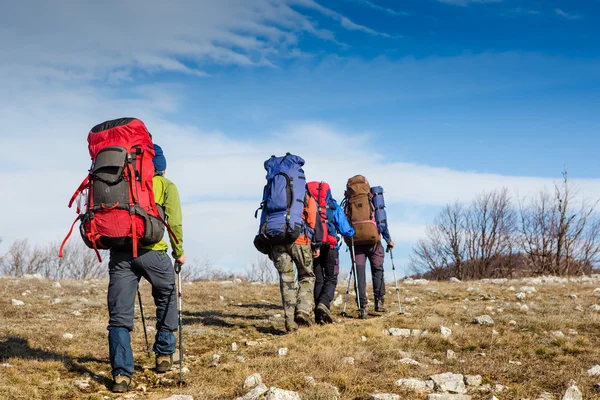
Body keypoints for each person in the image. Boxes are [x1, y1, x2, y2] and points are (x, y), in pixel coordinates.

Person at [107, 144, 185, 393]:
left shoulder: (118, 179)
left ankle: (121, 375)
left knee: (119, 316)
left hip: (120, 254)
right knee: (167, 296)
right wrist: (179, 253)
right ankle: (163, 355)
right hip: (153, 252)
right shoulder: (165, 185)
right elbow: (174, 221)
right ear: (160, 166)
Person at [269, 187, 323, 333]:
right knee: (307, 276)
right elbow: (312, 219)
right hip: (300, 239)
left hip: (277, 240)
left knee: (286, 281)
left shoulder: (273, 190)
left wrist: (269, 246)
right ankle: (303, 311)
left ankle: (290, 324)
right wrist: (316, 243)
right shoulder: (304, 192)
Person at [313, 191, 355, 324]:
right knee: (331, 278)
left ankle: (319, 317)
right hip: (330, 246)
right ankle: (324, 304)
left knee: (318, 279)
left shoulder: (308, 203)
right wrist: (352, 230)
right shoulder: (332, 205)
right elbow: (345, 229)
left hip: (314, 246)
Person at [353, 218, 394, 315]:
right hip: (374, 242)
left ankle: (362, 306)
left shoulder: (350, 201)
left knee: (359, 273)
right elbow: (381, 221)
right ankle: (379, 302)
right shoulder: (375, 202)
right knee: (378, 270)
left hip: (356, 242)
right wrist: (388, 239)